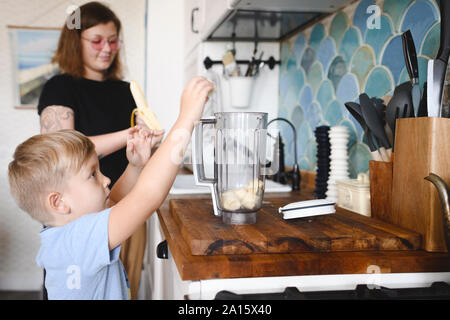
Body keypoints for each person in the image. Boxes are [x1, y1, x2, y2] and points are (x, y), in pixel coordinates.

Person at [9, 77, 214, 299]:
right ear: (59, 202)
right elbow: (148, 195)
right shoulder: (79, 240)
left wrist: (135, 167)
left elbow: (115, 201)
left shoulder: (65, 235)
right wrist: (187, 119)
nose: (106, 179)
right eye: (92, 175)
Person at [37, 2, 164, 298]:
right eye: (96, 40)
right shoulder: (60, 86)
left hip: (127, 206)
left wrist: (148, 145)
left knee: (123, 289)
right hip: (80, 217)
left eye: (112, 40)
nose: (107, 48)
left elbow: (135, 154)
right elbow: (61, 150)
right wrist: (129, 134)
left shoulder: (125, 91)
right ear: (74, 41)